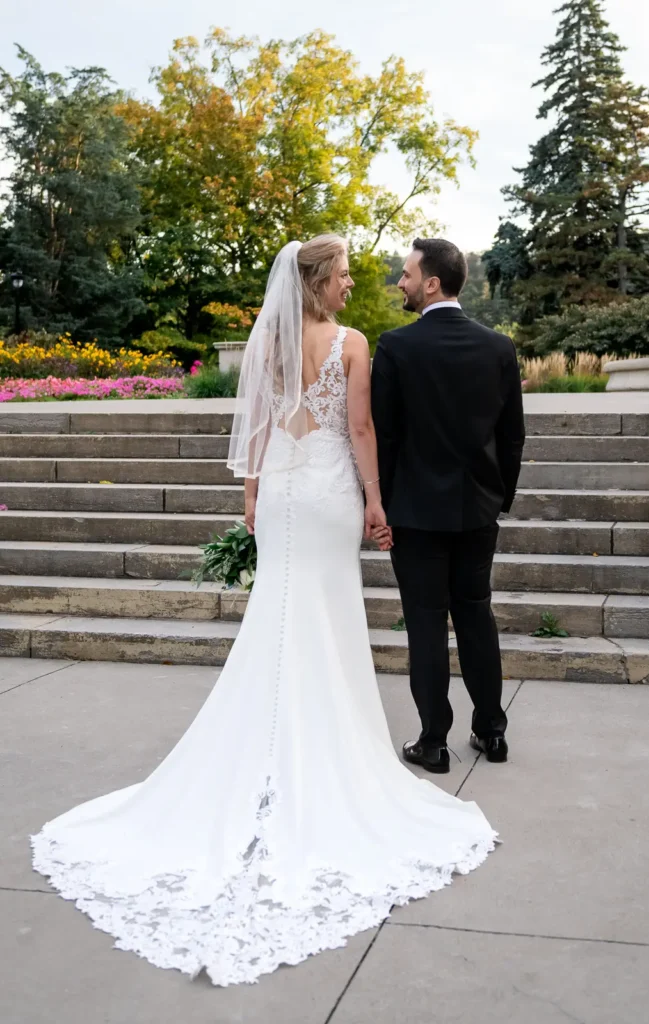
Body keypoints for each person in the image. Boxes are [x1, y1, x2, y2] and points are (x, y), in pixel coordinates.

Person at [31, 236, 497, 988]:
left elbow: (254, 428)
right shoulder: (349, 344)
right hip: (329, 498)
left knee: (279, 617)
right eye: (344, 276)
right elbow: (360, 431)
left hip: (281, 496)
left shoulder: (268, 342)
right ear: (318, 282)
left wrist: (251, 495)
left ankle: (265, 743)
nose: (353, 286)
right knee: (323, 616)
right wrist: (377, 504)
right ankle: (321, 751)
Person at [371, 238, 525, 774]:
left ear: (431, 282)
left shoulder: (395, 347)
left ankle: (433, 741)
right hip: (478, 509)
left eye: (408, 274)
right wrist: (497, 498)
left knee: (426, 624)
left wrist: (383, 505)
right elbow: (512, 439)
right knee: (477, 615)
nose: (402, 282)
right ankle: (492, 732)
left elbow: (385, 438)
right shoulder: (499, 348)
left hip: (415, 513)